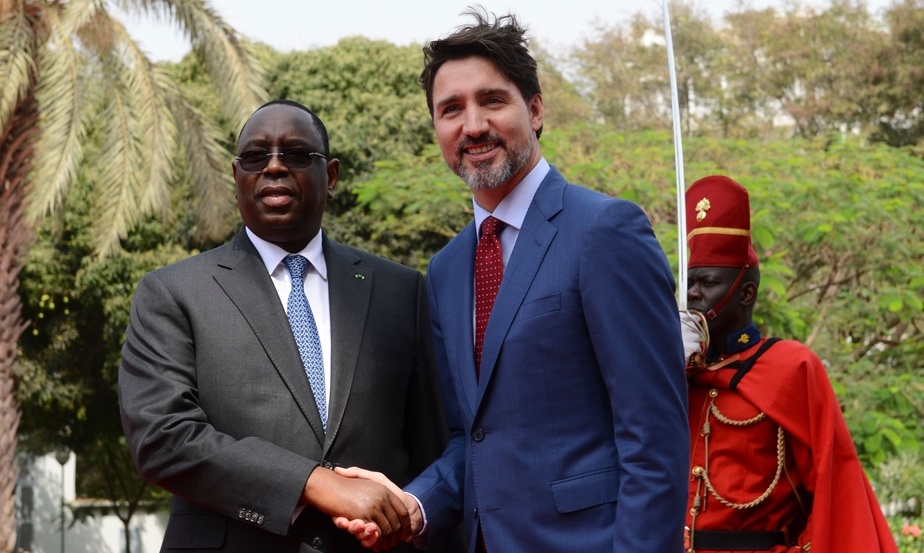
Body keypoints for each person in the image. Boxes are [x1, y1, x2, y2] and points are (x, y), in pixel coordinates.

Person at [337, 7, 689, 552]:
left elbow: (655, 442)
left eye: (492, 100)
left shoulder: (605, 231)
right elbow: (470, 439)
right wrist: (415, 505)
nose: (472, 125)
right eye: (450, 109)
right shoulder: (448, 268)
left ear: (537, 109)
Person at [118, 99, 465, 553]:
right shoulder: (173, 292)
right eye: (255, 157)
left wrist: (409, 512)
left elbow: (434, 444)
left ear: (332, 176)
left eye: (298, 154)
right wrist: (314, 483)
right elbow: (162, 438)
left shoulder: (402, 291)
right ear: (236, 175)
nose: (275, 168)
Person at [679, 175, 898, 552]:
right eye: (689, 282)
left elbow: (836, 488)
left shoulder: (791, 368)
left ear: (747, 293)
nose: (693, 294)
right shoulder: (672, 369)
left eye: (707, 283)